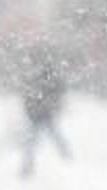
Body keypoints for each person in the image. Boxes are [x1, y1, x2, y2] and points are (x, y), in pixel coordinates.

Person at [20, 46, 70, 177]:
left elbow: (28, 95)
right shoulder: (44, 78)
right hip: (41, 113)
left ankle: (65, 157)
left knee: (34, 140)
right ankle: (65, 156)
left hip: (40, 113)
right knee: (49, 136)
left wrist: (32, 107)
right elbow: (28, 96)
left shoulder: (37, 78)